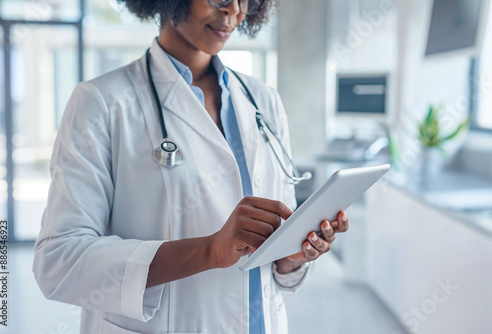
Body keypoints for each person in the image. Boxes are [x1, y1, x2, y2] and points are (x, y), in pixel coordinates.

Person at [32, 0, 350, 333]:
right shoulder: (102, 102)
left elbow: (272, 256)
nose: (233, 11)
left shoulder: (263, 100)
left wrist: (292, 255)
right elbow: (58, 261)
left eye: (247, 0)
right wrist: (209, 250)